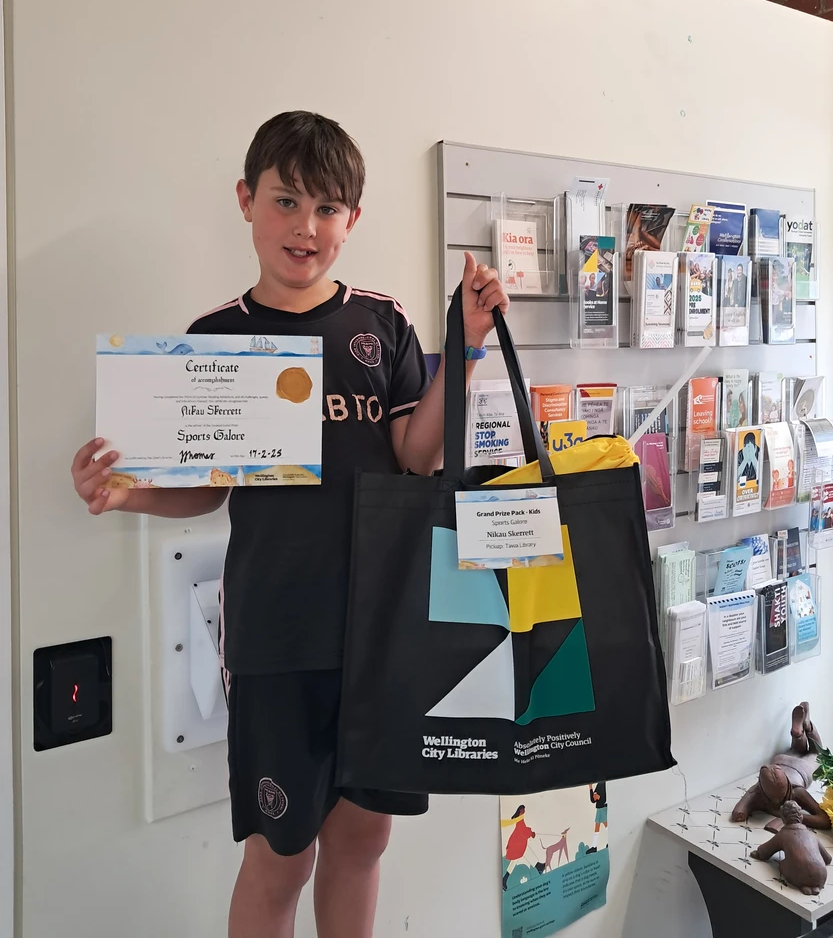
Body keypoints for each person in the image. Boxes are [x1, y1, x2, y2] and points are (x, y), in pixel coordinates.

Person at [70, 111, 510, 938]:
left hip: (379, 630)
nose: (305, 228)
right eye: (285, 202)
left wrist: (468, 345)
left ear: (352, 220)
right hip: (276, 635)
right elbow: (206, 491)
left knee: (364, 841)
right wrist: (126, 494)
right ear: (246, 200)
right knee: (282, 856)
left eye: (327, 209)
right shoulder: (217, 340)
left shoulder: (380, 324)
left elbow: (417, 455)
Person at [587, 783, 608, 853]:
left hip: (603, 808)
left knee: (606, 826)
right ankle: (594, 846)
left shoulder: (606, 783)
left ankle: (609, 841)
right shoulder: (600, 784)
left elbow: (606, 798)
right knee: (597, 828)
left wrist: (600, 798)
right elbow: (593, 800)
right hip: (599, 808)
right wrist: (590, 788)